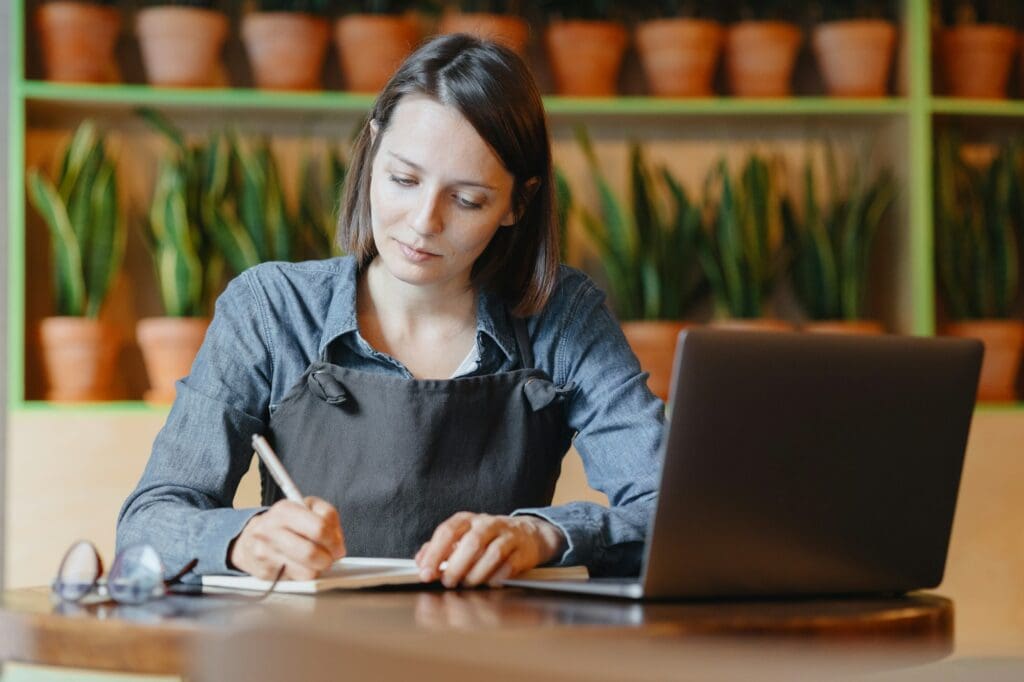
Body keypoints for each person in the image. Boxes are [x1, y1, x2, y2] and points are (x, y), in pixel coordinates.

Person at [116, 34, 663, 589]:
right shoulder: (272, 310)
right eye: (403, 179)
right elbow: (148, 523)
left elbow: (670, 509)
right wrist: (242, 539)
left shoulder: (562, 316)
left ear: (517, 204)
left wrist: (544, 536)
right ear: (373, 147)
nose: (424, 221)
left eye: (468, 199)